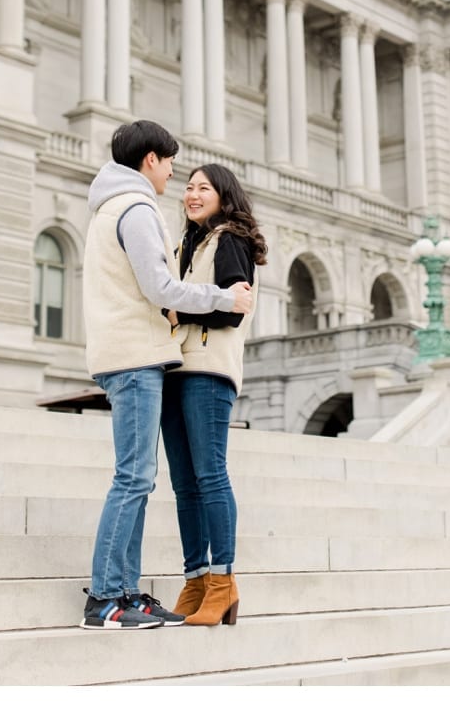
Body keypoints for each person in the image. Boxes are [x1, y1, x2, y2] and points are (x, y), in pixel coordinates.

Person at [79, 121, 254, 630]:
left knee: (158, 476)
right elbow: (159, 287)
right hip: (136, 356)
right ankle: (109, 599)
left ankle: (133, 592)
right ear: (151, 159)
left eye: (202, 185)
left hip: (163, 360)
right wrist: (221, 299)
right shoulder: (136, 209)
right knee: (135, 476)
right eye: (175, 166)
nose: (179, 180)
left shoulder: (117, 208)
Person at [160, 163, 266, 626]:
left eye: (203, 187)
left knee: (209, 477)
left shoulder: (230, 239)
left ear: (224, 195)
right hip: (175, 368)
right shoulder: (188, 243)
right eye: (188, 187)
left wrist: (176, 311)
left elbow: (232, 310)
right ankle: (196, 580)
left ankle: (222, 582)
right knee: (184, 485)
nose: (192, 194)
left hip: (208, 368)